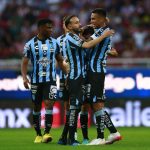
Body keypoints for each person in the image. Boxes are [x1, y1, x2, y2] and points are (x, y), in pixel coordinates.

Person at [64, 15, 114, 146]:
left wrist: (91, 29)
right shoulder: (70, 37)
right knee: (74, 107)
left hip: (82, 76)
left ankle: (70, 138)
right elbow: (87, 45)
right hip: (75, 77)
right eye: (75, 23)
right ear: (69, 26)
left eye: (79, 22)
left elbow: (85, 38)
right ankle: (71, 138)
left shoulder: (75, 36)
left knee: (83, 106)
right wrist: (104, 35)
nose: (79, 24)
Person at [21, 19, 68, 143]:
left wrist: (68, 74)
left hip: (51, 80)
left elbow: (60, 60)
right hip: (36, 80)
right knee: (36, 106)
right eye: (48, 27)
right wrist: (25, 77)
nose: (51, 30)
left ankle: (47, 133)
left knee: (49, 104)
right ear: (40, 28)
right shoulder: (30, 44)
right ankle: (38, 134)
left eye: (52, 27)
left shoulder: (55, 43)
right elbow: (24, 62)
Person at [82, 8, 122, 145]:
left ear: (101, 19)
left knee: (97, 103)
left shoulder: (102, 32)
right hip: (93, 71)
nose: (91, 21)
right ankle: (114, 132)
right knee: (95, 103)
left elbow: (86, 44)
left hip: (96, 71)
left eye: (94, 18)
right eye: (91, 18)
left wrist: (84, 31)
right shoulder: (102, 31)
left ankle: (100, 137)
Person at [56, 16, 71, 145]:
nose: (65, 25)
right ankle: (68, 134)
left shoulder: (79, 38)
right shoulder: (58, 41)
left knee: (76, 105)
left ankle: (69, 134)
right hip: (63, 76)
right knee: (67, 106)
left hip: (76, 76)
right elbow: (57, 61)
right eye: (64, 23)